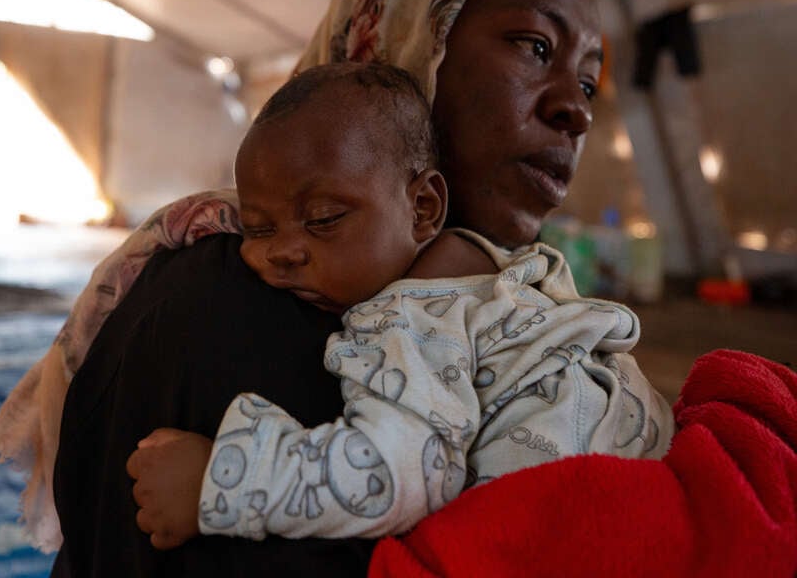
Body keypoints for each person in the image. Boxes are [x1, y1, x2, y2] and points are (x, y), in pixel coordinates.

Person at [0, 0, 795, 578]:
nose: (576, 109)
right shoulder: (239, 301)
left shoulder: (504, 299)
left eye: (588, 78)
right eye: (533, 47)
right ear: (412, 36)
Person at [126, 61, 671, 548]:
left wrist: (221, 477)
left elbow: (401, 473)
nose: (283, 251)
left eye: (324, 219)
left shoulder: (409, 318)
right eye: (259, 228)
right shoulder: (505, 271)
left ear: (423, 208)